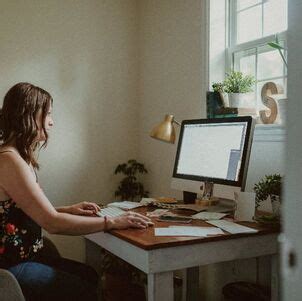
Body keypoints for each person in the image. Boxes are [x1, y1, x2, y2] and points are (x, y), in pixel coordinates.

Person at [0, 82, 153, 301]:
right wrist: (112, 222)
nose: (51, 122)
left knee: (89, 275)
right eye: (48, 114)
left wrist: (69, 210)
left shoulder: (16, 156)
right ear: (30, 115)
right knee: (84, 289)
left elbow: (22, 212)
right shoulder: (9, 160)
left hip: (26, 257)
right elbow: (51, 223)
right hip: (11, 267)